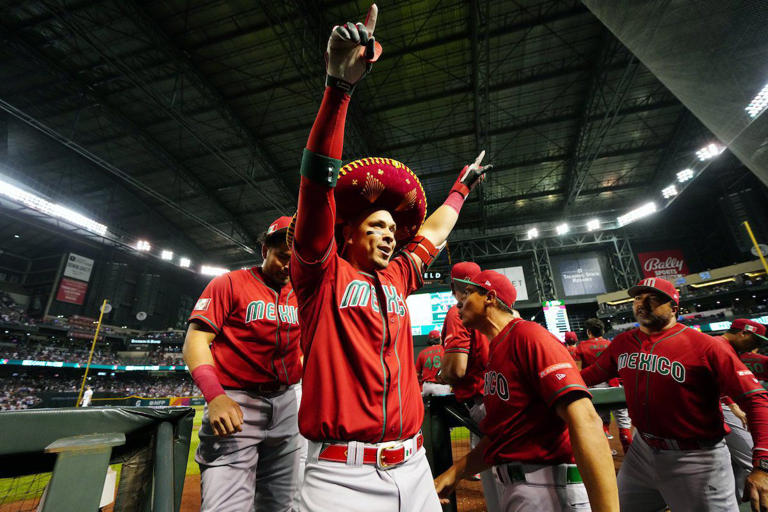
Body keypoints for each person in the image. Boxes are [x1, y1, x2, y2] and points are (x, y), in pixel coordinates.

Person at [288, 5, 491, 510]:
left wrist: (461, 190)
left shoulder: (399, 274)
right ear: (348, 234)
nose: (388, 236)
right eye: (374, 226)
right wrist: (339, 88)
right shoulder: (320, 271)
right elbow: (316, 186)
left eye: (391, 229)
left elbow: (435, 231)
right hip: (341, 478)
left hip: (415, 467)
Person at [435, 270, 619, 511]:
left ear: (489, 297)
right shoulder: (498, 349)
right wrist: (453, 473)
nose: (459, 302)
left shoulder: (528, 335)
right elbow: (503, 436)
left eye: (468, 294)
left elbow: (585, 420)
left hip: (550, 488)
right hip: (521, 486)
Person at [581, 277, 768, 512]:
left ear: (674, 308)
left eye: (655, 299)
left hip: (696, 458)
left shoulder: (707, 346)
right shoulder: (623, 342)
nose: (643, 303)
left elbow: (756, 399)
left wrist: (763, 463)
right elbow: (589, 375)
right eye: (638, 298)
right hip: (642, 450)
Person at [183, 215, 302, 512]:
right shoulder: (229, 283)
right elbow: (195, 342)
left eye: (296, 259)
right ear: (265, 251)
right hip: (236, 402)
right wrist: (215, 396)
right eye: (282, 257)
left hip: (288, 402)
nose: (289, 266)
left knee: (282, 506)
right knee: (226, 507)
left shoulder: (304, 293)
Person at [439, 261, 501, 510]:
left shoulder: (458, 310)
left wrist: (443, 375)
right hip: (504, 395)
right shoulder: (495, 306)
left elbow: (456, 369)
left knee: (501, 485)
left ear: (453, 286)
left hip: (483, 403)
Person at [715, 319, 768, 503]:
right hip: (716, 408)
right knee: (750, 458)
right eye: (756, 340)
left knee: (733, 463)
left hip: (720, 408)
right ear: (742, 333)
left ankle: (736, 501)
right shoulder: (718, 347)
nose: (758, 346)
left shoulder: (730, 350)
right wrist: (731, 404)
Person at [576, 318, 632, 454]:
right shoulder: (611, 343)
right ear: (602, 331)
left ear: (589, 332)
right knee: (623, 421)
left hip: (594, 388)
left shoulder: (581, 346)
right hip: (614, 385)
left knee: (601, 422)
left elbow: (578, 372)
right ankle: (630, 454)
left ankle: (607, 452)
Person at [416, 330, 451, 396]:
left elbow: (417, 374)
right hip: (442, 386)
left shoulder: (422, 353)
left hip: (426, 387)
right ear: (440, 339)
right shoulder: (445, 350)